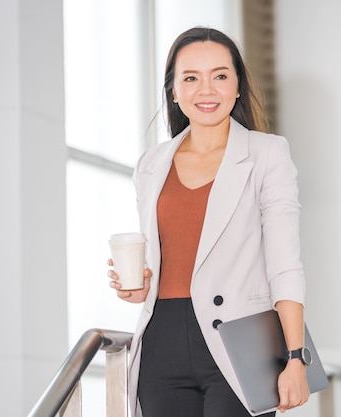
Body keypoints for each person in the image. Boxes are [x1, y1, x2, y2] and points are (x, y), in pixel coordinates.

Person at [107, 27, 310, 417]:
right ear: (174, 91)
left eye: (220, 76)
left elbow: (285, 265)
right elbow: (168, 255)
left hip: (240, 342)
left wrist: (295, 356)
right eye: (191, 78)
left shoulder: (267, 153)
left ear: (237, 87)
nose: (206, 90)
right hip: (161, 341)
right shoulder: (151, 164)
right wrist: (140, 285)